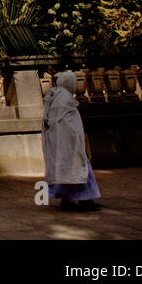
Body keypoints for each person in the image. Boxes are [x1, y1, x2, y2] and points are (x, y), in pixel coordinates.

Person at [41, 70, 101, 210]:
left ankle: (67, 200)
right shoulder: (65, 99)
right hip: (70, 143)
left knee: (65, 171)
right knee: (78, 170)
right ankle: (84, 199)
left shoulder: (54, 97)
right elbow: (70, 125)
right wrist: (77, 140)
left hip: (59, 143)